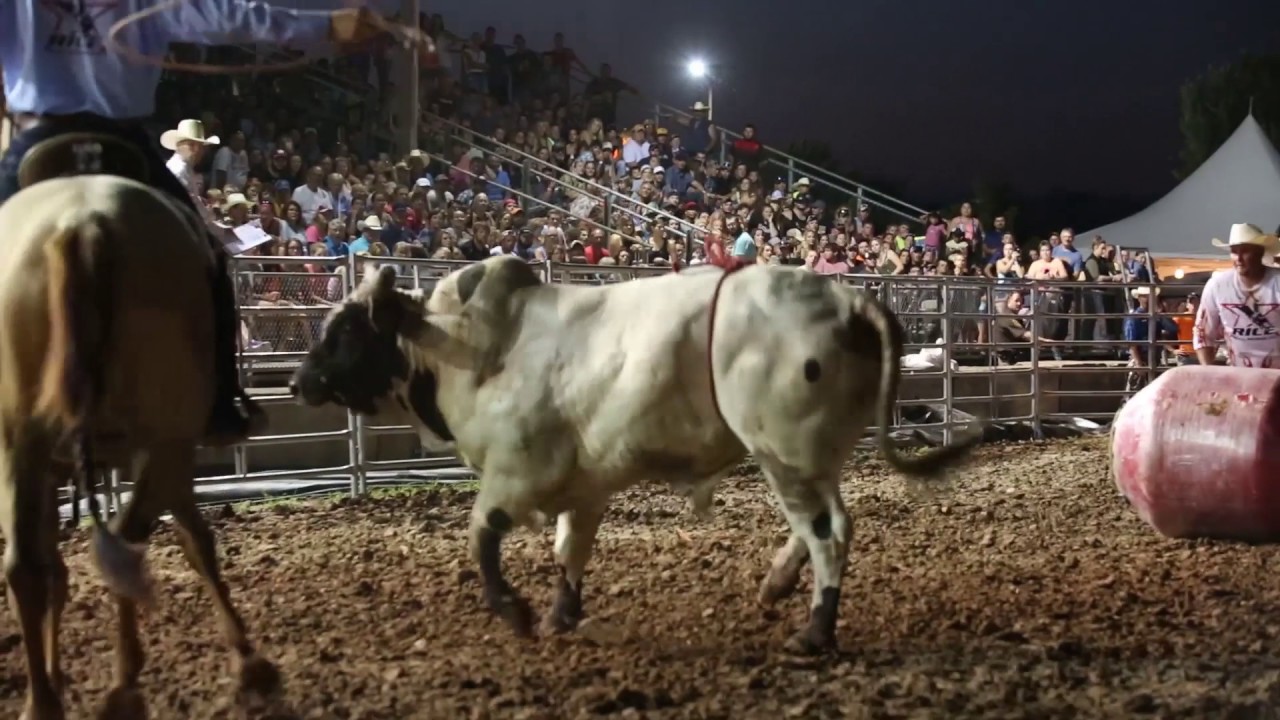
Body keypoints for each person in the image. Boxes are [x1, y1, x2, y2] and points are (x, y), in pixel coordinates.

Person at [0, 1, 428, 446]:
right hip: (120, 144)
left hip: (41, 138)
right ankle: (220, 401)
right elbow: (227, 15)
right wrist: (328, 26)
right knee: (208, 260)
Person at [1194, 223, 1280, 368]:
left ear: (1259, 252)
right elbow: (1203, 332)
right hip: (1238, 374)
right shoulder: (1218, 285)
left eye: (1245, 251)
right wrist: (1207, 370)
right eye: (1234, 252)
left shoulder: (1276, 282)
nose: (1239, 258)